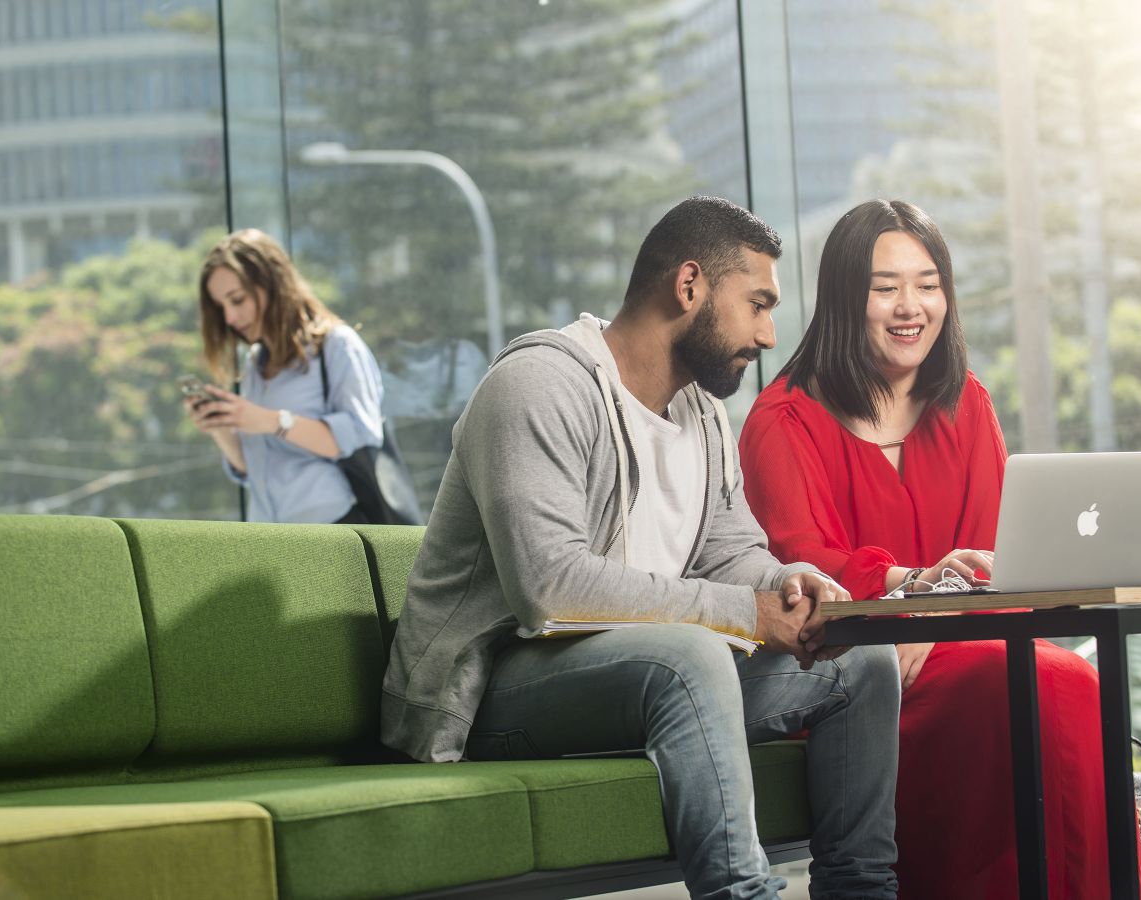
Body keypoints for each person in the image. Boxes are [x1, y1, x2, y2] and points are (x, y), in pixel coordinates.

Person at [382, 196, 902, 900]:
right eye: (756, 303)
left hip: (643, 678)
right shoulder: (540, 384)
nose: (769, 333)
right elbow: (550, 589)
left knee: (863, 660)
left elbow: (731, 555)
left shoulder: (703, 415)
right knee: (689, 649)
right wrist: (746, 615)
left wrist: (791, 586)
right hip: (495, 690)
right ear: (689, 286)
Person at [738, 199, 1141, 899]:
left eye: (928, 284)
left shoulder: (967, 405)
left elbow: (996, 562)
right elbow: (801, 566)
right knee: (1051, 683)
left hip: (967, 645)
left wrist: (937, 614)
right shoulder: (782, 421)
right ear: (843, 296)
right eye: (885, 286)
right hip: (861, 679)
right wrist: (907, 594)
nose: (911, 306)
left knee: (1066, 680)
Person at [186, 228, 387, 524]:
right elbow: (254, 467)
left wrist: (272, 421)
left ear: (273, 285)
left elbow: (360, 435)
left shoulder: (336, 345)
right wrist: (221, 428)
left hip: (334, 528)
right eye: (221, 307)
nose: (229, 318)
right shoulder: (254, 363)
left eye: (238, 300)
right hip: (271, 535)